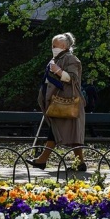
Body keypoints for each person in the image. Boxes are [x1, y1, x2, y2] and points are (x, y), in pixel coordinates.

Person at [26, 32, 87, 171]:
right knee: (69, 132)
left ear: (64, 46)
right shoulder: (57, 58)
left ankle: (42, 160)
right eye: (52, 45)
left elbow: (72, 78)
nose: (53, 47)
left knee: (62, 131)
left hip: (67, 102)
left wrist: (58, 71)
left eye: (55, 45)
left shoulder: (71, 59)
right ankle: (80, 163)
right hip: (59, 102)